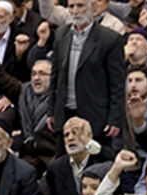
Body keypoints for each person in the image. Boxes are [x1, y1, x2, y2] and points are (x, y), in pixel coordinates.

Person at [49, 0, 126, 148]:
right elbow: (55, 76)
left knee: (94, 165)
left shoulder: (110, 39)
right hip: (65, 113)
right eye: (71, 6)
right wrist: (51, 111)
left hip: (95, 116)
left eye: (80, 5)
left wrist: (114, 119)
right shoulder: (60, 34)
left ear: (92, 7)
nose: (75, 11)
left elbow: (117, 84)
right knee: (63, 165)